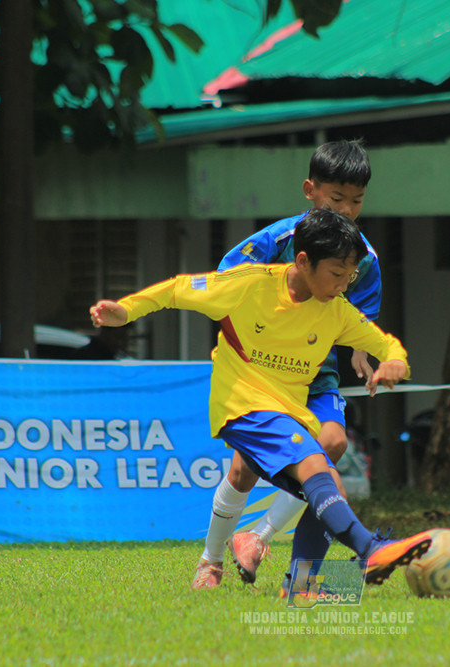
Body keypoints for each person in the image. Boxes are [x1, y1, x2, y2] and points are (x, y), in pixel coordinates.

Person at [89, 210, 432, 592]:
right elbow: (176, 290)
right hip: (244, 408)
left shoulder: (336, 311)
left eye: (350, 276)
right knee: (315, 464)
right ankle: (370, 549)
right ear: (302, 261)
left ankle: (300, 587)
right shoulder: (249, 285)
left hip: (289, 415)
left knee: (327, 482)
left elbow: (382, 342)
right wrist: (127, 311)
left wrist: (396, 361)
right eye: (337, 273)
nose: (343, 284)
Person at [199, 139, 380, 590]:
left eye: (356, 200)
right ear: (309, 190)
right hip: (261, 372)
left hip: (316, 374)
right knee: (244, 470)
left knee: (332, 445)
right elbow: (226, 282)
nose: (347, 209)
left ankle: (266, 547)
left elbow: (362, 320)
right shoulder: (276, 241)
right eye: (336, 198)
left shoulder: (365, 258)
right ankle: (210, 561)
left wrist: (362, 352)